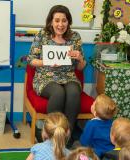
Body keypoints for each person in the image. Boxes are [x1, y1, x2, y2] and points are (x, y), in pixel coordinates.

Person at [26, 4, 86, 136]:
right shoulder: (42, 35)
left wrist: (80, 58)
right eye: (57, 20)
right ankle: (51, 134)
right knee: (58, 93)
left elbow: (80, 68)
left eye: (64, 20)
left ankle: (66, 135)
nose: (60, 24)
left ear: (68, 22)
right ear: (51, 21)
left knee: (74, 92)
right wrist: (47, 62)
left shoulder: (75, 37)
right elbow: (30, 60)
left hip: (69, 76)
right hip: (46, 77)